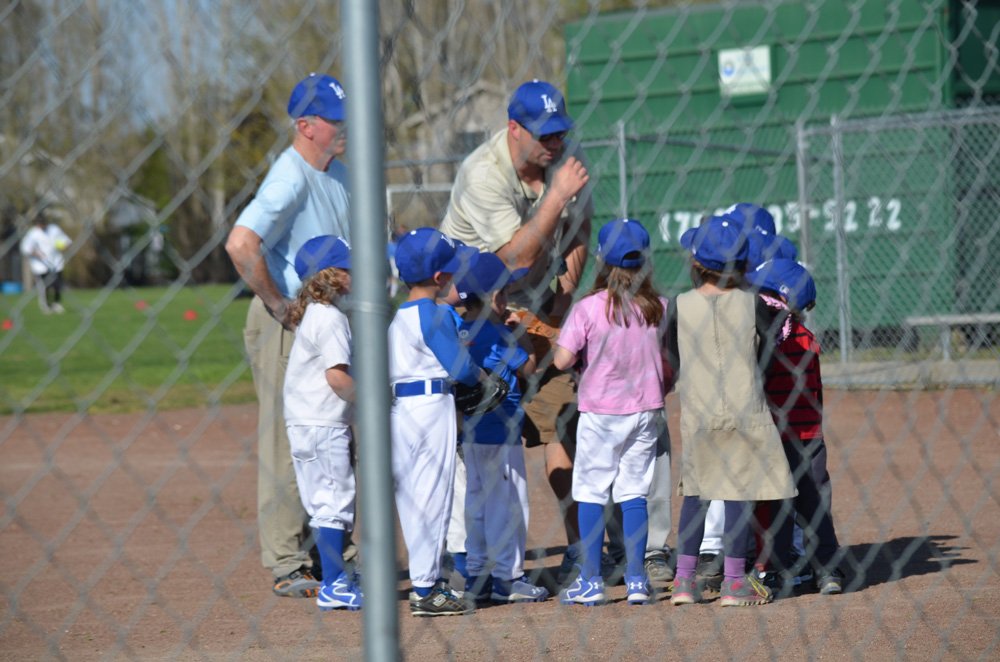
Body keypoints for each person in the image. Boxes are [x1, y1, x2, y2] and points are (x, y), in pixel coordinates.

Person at [439, 79, 592, 579]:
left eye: (560, 132)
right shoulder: (483, 173)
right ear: (513, 129)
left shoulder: (565, 160)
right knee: (478, 446)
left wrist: (562, 300)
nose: (555, 143)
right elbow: (515, 260)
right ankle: (468, 558)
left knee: (563, 422)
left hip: (540, 309)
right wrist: (556, 196)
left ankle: (582, 548)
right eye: (544, 135)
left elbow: (579, 231)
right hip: (476, 315)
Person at [224, 72, 350, 597]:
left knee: (338, 430)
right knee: (289, 435)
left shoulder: (339, 173)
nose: (346, 128)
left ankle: (330, 550)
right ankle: (286, 559)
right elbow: (241, 244)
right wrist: (281, 306)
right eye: (336, 121)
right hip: (291, 318)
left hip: (330, 316)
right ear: (306, 126)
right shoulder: (290, 177)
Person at [666, 214, 796, 608]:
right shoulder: (753, 303)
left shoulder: (679, 305)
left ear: (696, 262)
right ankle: (735, 582)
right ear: (742, 262)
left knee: (696, 494)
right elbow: (769, 354)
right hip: (744, 409)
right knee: (738, 493)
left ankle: (684, 581)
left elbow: (671, 357)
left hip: (698, 412)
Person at [553, 218, 670, 606]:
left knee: (591, 491)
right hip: (646, 411)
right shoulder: (658, 307)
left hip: (601, 413)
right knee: (634, 492)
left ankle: (591, 580)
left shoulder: (588, 308)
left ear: (601, 261)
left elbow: (562, 360)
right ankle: (636, 580)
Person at [388, 227, 489, 617]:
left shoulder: (398, 316)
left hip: (401, 409)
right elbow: (461, 369)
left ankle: (425, 580)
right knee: (434, 495)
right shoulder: (432, 313)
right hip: (431, 407)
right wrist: (483, 378)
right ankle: (427, 589)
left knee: (414, 497)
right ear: (438, 276)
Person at [451, 250, 550, 605]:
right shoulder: (499, 335)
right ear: (494, 297)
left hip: (470, 434)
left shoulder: (457, 330)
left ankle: (477, 576)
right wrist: (522, 335)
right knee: (509, 504)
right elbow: (529, 369)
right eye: (505, 292)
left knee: (476, 503)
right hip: (502, 435)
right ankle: (509, 578)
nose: (508, 298)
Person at [747, 258, 845, 596]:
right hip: (810, 436)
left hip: (777, 435)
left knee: (775, 504)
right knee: (814, 505)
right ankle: (828, 570)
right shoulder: (805, 336)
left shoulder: (766, 337)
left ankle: (772, 571)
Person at [282, 235, 362, 611]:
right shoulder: (330, 318)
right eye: (350, 268)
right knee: (334, 500)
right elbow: (337, 377)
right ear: (331, 275)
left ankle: (335, 579)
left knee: (324, 502)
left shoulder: (315, 312)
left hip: (306, 422)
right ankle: (334, 584)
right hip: (322, 424)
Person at [20, 212, 71, 314]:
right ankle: (46, 305)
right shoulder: (32, 233)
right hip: (40, 265)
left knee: (57, 284)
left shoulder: (54, 229)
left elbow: (66, 241)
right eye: (40, 223)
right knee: (45, 286)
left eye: (43, 223)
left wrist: (64, 246)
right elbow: (25, 248)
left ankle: (56, 303)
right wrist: (36, 254)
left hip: (56, 262)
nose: (42, 225)